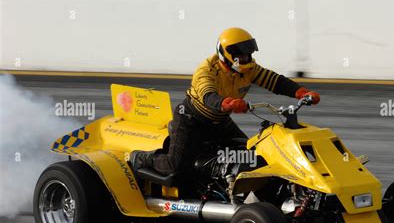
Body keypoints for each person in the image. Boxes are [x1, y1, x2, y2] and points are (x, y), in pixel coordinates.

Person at [129, 27, 320, 176]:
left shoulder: (248, 68)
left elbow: (274, 80)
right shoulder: (206, 70)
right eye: (243, 54)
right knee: (176, 166)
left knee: (250, 154)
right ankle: (140, 158)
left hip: (220, 121)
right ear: (230, 54)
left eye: (249, 54)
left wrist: (300, 92)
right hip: (191, 120)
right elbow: (208, 95)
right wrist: (227, 103)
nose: (248, 58)